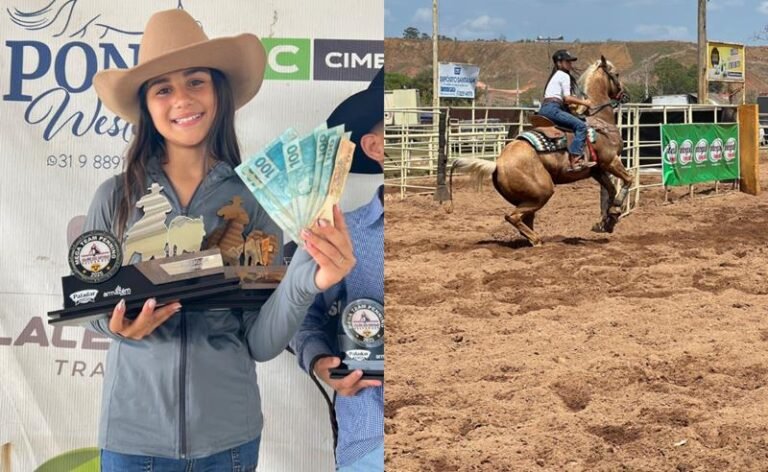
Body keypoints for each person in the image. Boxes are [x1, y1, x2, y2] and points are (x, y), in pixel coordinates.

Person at [85, 9, 355, 471]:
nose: (182, 99)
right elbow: (89, 303)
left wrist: (308, 279)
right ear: (146, 105)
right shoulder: (115, 196)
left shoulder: (257, 201)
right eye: (163, 89)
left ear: (219, 92)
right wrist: (115, 325)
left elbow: (260, 343)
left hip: (230, 444)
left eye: (196, 81)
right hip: (133, 442)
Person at [291, 69, 384, 472]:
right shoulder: (341, 233)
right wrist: (319, 361)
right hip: (372, 436)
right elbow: (301, 312)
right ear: (374, 146)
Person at [538, 49, 596, 172]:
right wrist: (585, 103)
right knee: (581, 126)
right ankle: (576, 159)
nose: (570, 64)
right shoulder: (564, 75)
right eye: (567, 61)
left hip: (545, 109)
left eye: (571, 61)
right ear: (559, 63)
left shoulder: (554, 76)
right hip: (553, 109)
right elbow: (567, 98)